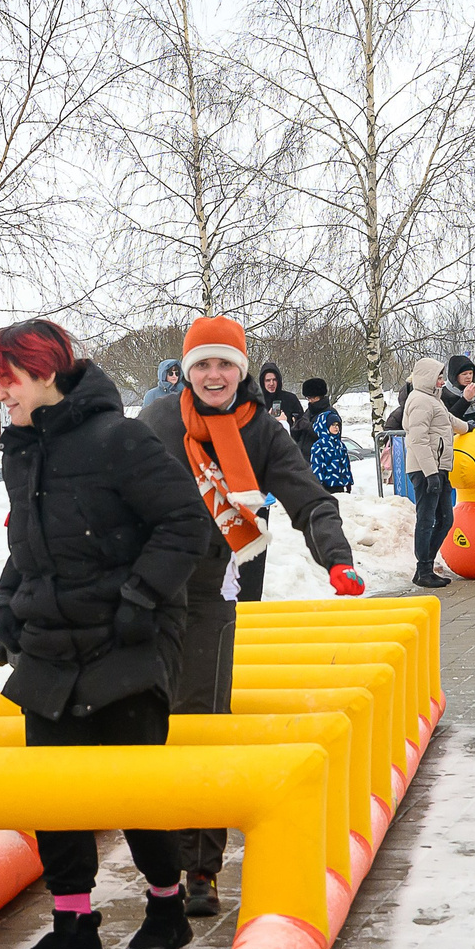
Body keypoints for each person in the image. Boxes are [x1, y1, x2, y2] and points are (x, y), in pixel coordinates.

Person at [0, 319, 213, 949]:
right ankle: (74, 927)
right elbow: (27, 545)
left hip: (124, 644)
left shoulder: (121, 439)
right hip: (53, 646)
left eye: (10, 379)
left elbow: (184, 524)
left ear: (45, 373)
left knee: (135, 788)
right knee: (53, 794)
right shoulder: (21, 449)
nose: (3, 393)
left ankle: (166, 907)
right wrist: (7, 612)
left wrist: (142, 600)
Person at [139, 315, 363, 914]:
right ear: (187, 372)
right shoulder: (157, 422)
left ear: (242, 371)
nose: (215, 375)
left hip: (215, 589)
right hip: (147, 590)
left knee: (204, 717)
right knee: (146, 719)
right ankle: (155, 854)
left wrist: (335, 558)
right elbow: (112, 489)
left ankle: (200, 867)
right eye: (203, 364)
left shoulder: (262, 431)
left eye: (226, 364)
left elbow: (307, 497)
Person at [397, 355, 458, 588]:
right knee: (427, 519)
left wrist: (474, 427)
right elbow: (418, 440)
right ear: (426, 378)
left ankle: (425, 566)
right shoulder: (420, 400)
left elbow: (450, 421)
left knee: (445, 519)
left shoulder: (433, 399)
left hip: (437, 467)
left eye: (441, 377)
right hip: (425, 469)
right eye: (438, 377)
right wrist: (431, 473)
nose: (442, 381)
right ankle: (423, 568)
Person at [256, 360, 306, 445]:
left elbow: (302, 427)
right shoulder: (256, 401)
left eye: (274, 380)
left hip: (289, 447)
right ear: (262, 382)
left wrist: (288, 424)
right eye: (268, 380)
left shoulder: (290, 399)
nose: (271, 383)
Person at [310, 405, 355, 492]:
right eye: (333, 425)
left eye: (337, 425)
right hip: (326, 486)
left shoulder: (340, 445)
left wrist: (349, 481)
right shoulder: (319, 446)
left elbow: (346, 465)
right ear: (325, 426)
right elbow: (317, 467)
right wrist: (319, 485)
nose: (336, 427)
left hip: (341, 485)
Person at [440, 352, 475, 422]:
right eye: (464, 374)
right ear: (455, 376)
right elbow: (447, 421)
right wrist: (465, 400)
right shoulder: (444, 394)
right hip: (457, 431)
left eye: (470, 373)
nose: (469, 377)